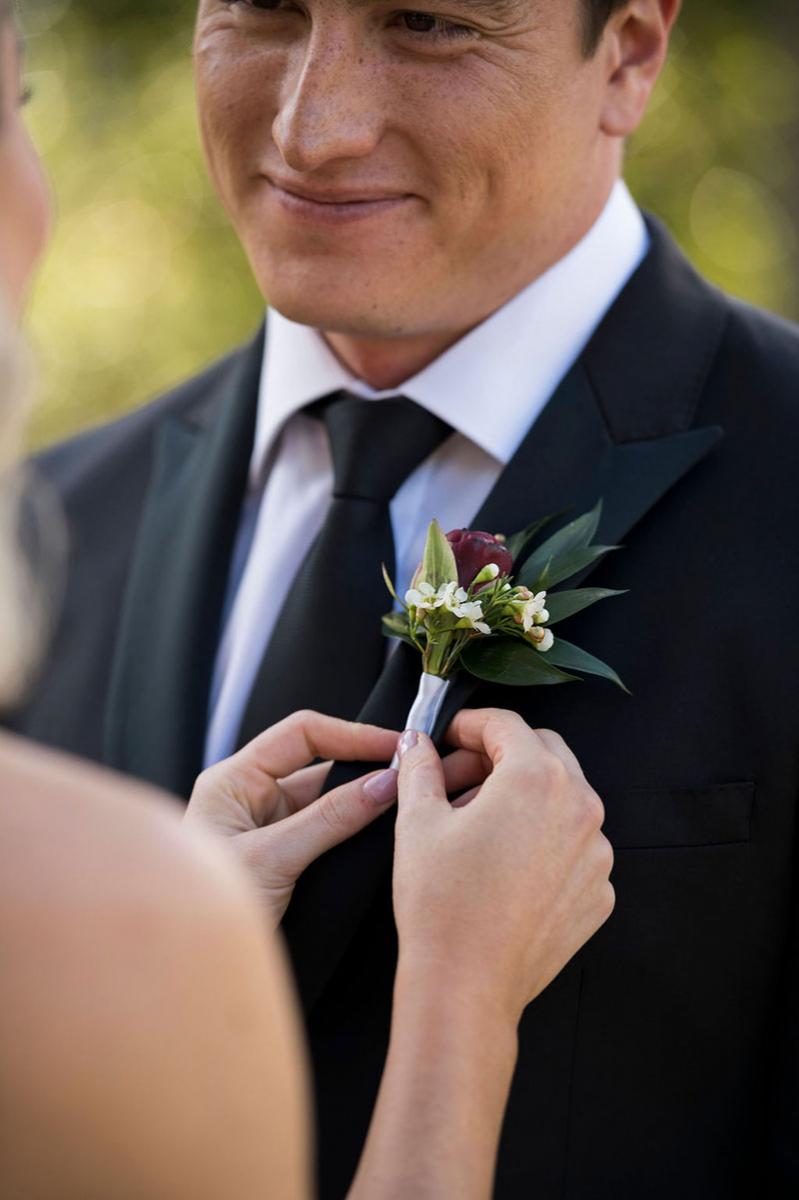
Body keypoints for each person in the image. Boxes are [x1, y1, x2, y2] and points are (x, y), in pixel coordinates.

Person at [8, 0, 799, 1194]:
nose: (312, 126)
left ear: (628, 51)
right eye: (263, 10)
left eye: (428, 23)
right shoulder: (42, 531)